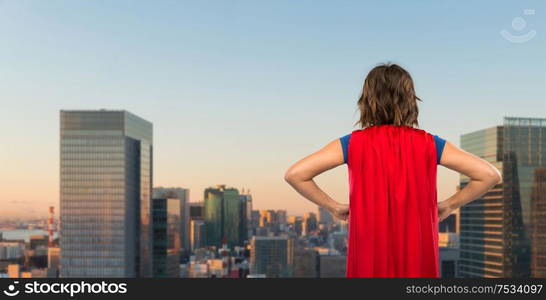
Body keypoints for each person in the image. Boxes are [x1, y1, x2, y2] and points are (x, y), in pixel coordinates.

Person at [284, 63, 501, 278]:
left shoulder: (352, 143)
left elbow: (295, 175)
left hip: (368, 256)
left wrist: (332, 207)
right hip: (419, 256)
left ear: (367, 101)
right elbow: (489, 175)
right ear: (410, 101)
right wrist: (449, 205)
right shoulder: (429, 144)